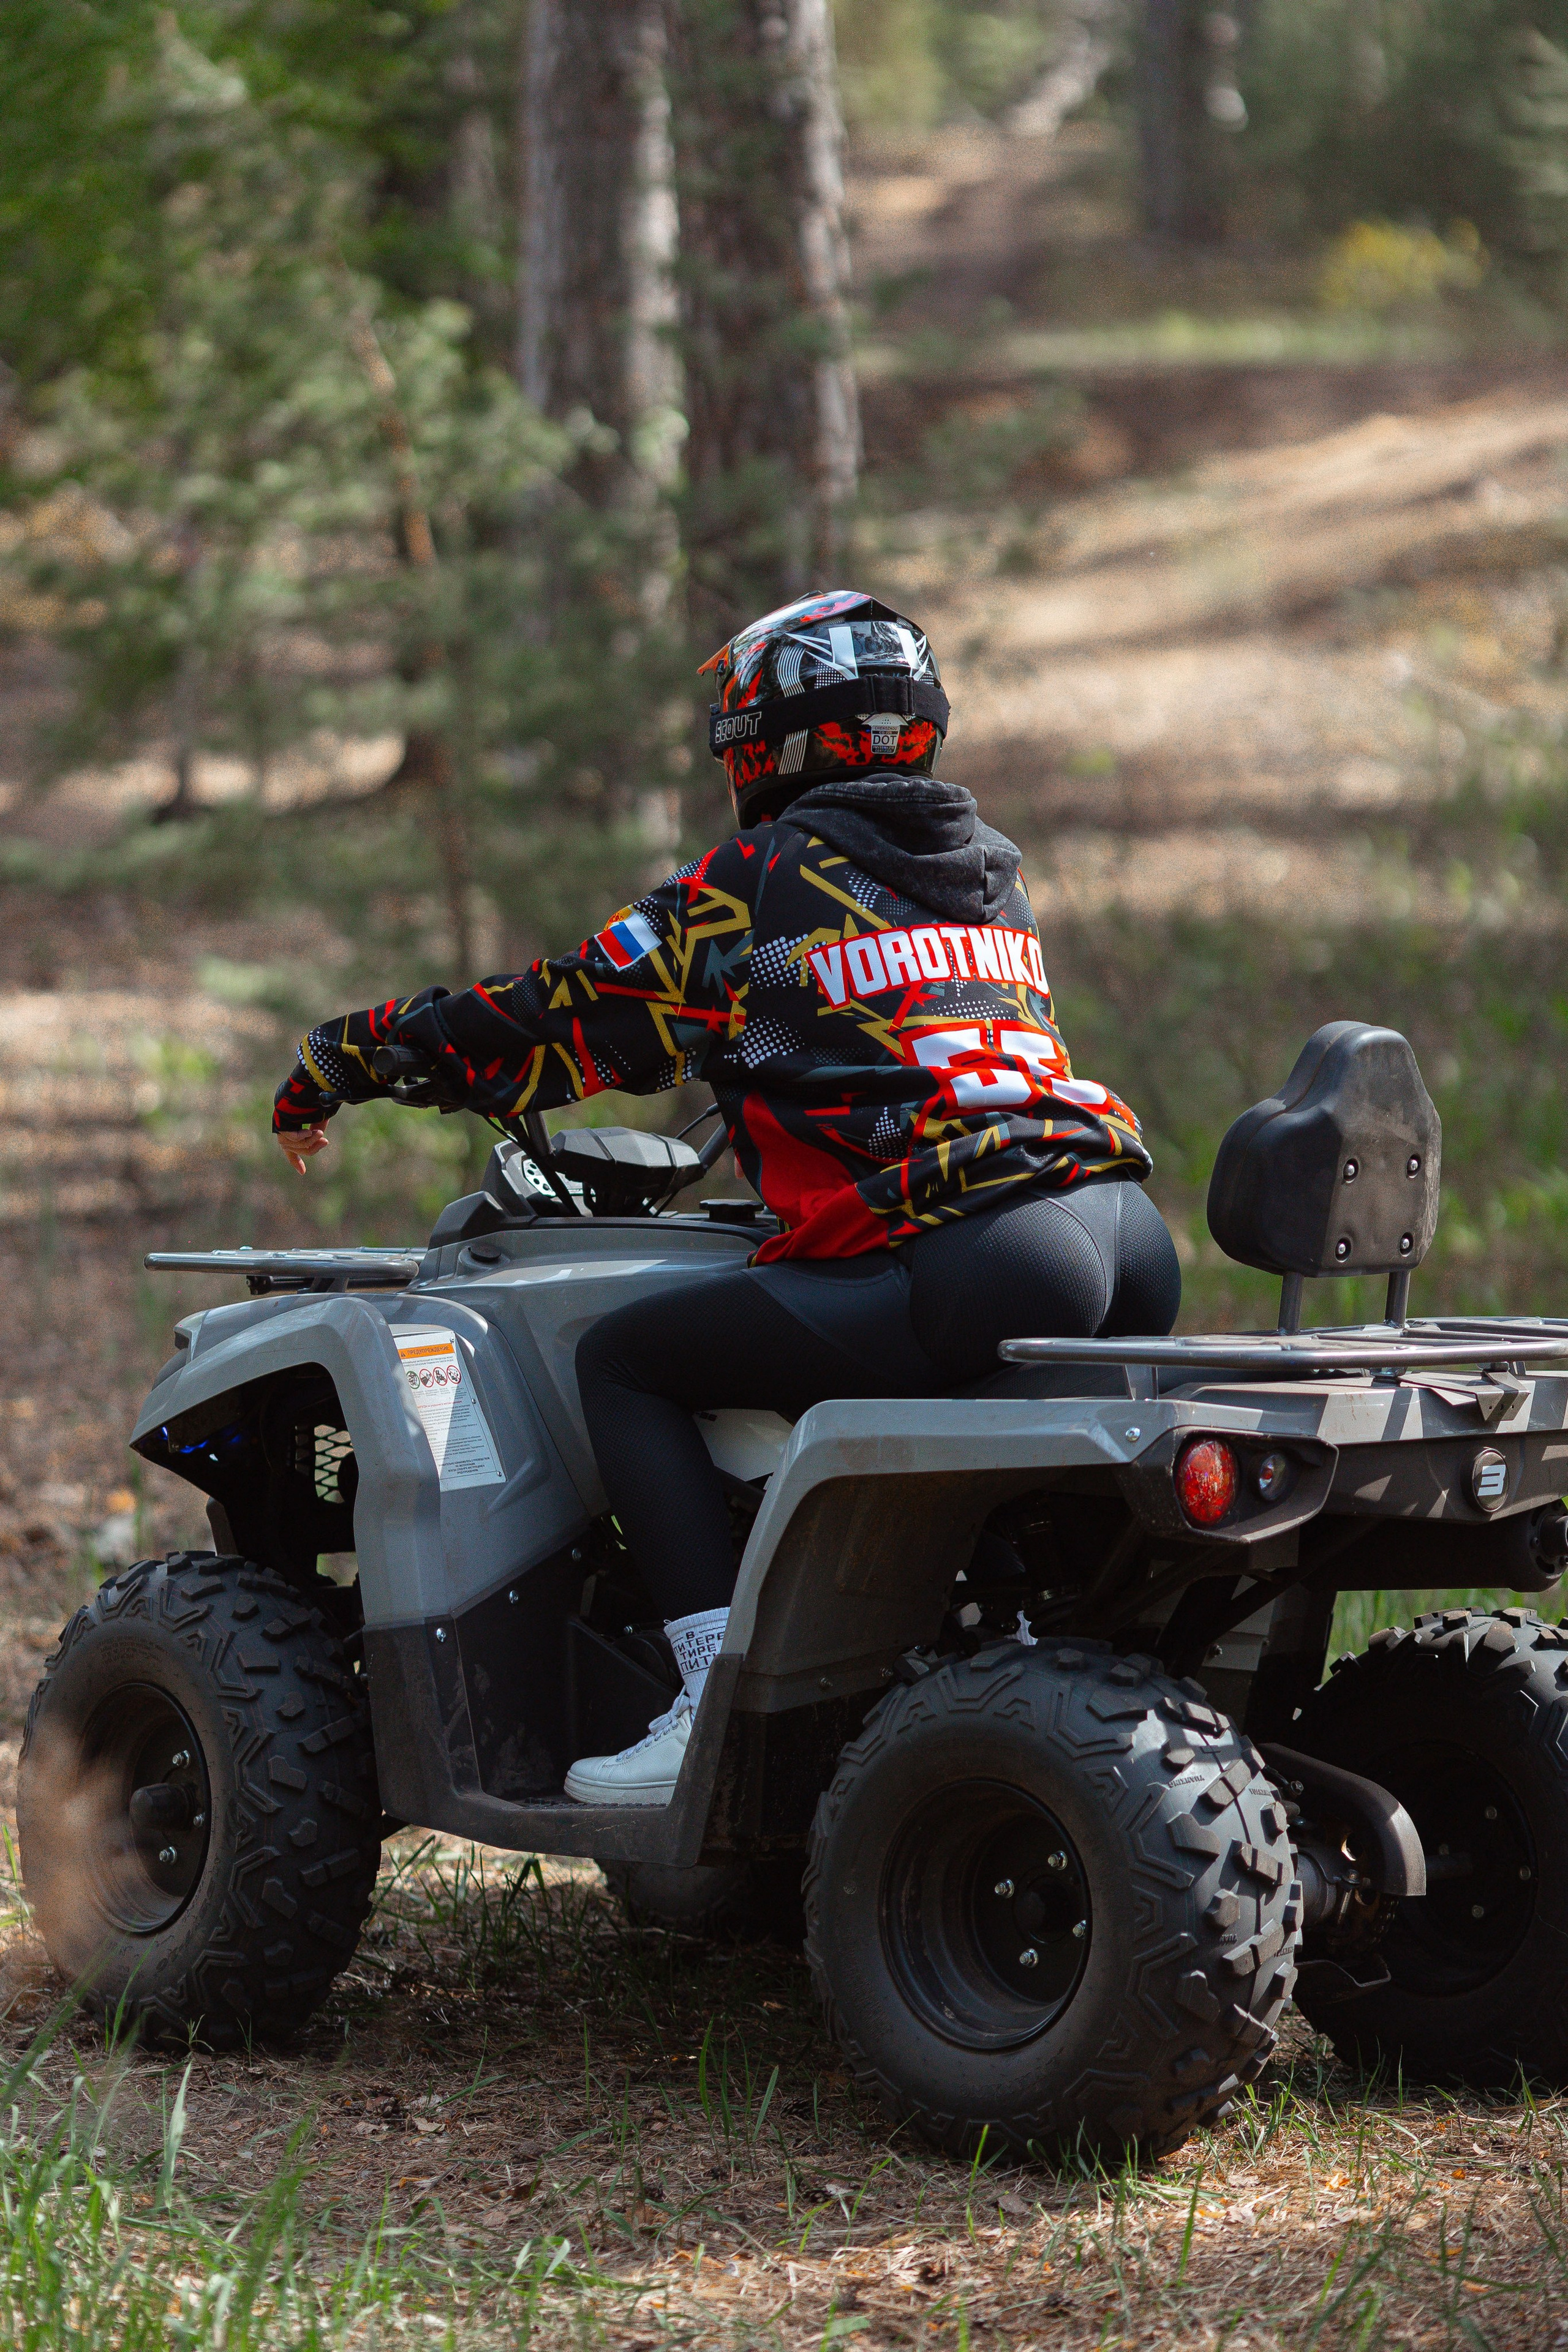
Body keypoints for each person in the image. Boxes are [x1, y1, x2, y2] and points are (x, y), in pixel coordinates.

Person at [273, 589, 1180, 1805]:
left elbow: (565, 1019)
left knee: (627, 1363)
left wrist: (354, 1051)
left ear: (769, 741)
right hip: (1114, 1229)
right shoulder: (982, 871)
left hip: (967, 1249)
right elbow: (851, 1039)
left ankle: (703, 1696)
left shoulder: (755, 882)